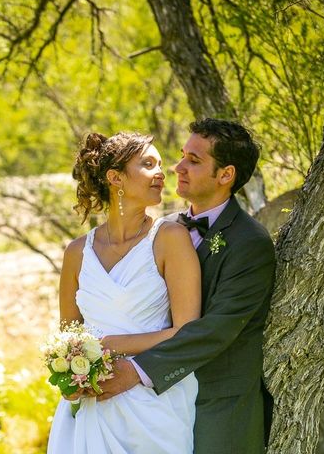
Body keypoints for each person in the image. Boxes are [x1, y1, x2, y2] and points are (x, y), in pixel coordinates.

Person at [98, 118, 276, 453]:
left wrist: (135, 371)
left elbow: (218, 329)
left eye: (194, 161)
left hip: (219, 406)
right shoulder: (165, 230)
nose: (178, 167)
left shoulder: (250, 242)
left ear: (226, 175)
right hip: (157, 405)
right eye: (182, 156)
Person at [47, 132, 202, 453]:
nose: (161, 172)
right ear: (115, 177)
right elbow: (68, 338)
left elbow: (188, 331)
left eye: (161, 164)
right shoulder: (77, 252)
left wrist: (109, 347)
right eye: (148, 164)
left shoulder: (170, 238)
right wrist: (70, 378)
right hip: (94, 404)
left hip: (154, 402)